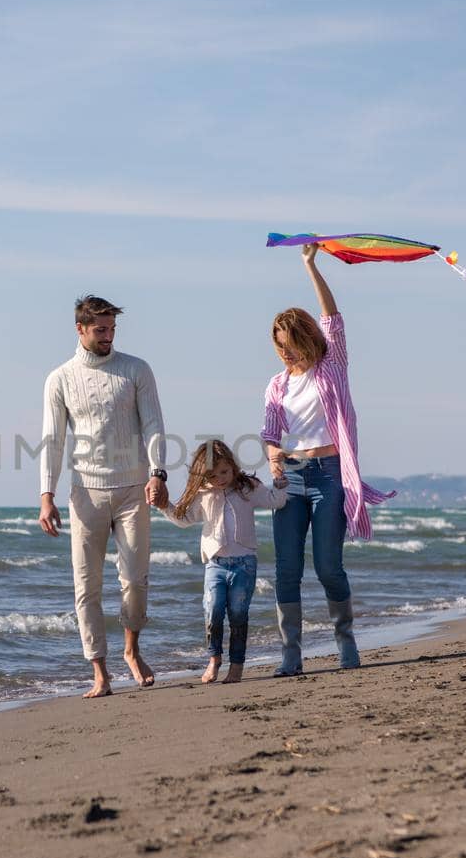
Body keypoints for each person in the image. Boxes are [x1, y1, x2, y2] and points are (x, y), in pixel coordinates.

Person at [261, 243, 395, 676]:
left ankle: (346, 641)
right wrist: (275, 460)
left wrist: (310, 265)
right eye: (280, 347)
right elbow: (269, 435)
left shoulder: (332, 364)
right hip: (292, 478)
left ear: (306, 338)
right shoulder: (277, 385)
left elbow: (332, 318)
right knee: (286, 570)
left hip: (330, 474)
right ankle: (291, 654)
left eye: (291, 344)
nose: (287, 353)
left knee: (327, 566)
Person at [39, 295, 167, 699]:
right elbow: (53, 440)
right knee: (86, 585)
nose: (108, 336)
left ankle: (132, 650)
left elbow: (154, 423)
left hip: (132, 488)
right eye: (101, 330)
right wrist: (47, 494)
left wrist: (158, 472)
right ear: (80, 329)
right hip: (86, 494)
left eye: (112, 329)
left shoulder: (135, 370)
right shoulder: (58, 378)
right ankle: (100, 672)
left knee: (134, 580)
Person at [157, 440, 287, 685]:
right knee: (213, 611)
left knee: (238, 614)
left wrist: (280, 485)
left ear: (233, 466)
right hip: (215, 564)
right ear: (204, 475)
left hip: (245, 564)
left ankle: (236, 665)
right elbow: (184, 519)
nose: (221, 479)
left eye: (225, 472)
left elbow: (275, 501)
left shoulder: (248, 487)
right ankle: (214, 658)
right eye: (214, 475)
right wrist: (165, 507)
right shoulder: (203, 495)